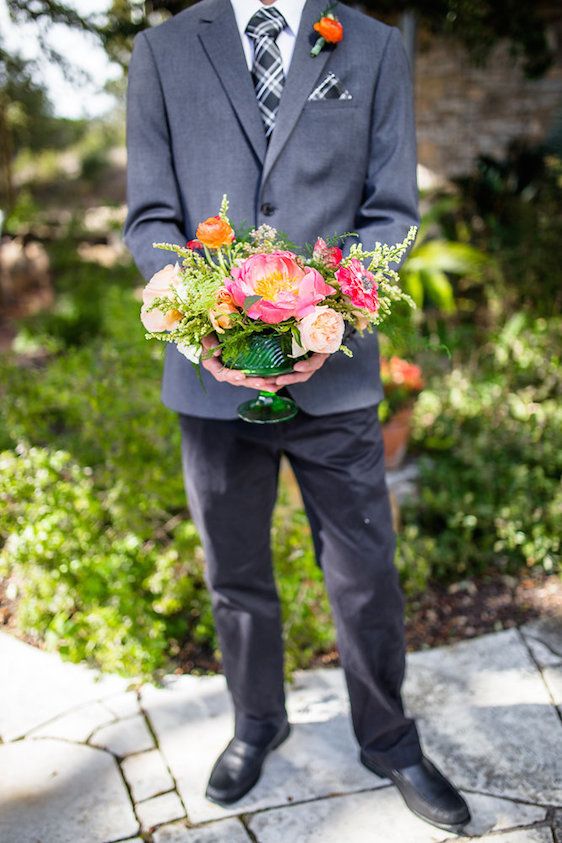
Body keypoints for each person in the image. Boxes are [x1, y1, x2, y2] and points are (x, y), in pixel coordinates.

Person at [123, 0, 471, 830]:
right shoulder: (163, 50)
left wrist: (336, 317)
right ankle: (257, 722)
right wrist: (192, 323)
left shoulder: (375, 47)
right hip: (210, 382)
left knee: (365, 573)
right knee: (236, 573)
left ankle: (389, 739)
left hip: (336, 376)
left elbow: (389, 211)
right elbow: (151, 218)